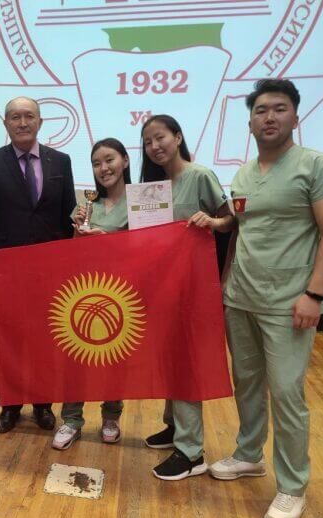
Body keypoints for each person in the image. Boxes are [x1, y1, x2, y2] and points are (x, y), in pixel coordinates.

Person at [210, 79, 323, 518]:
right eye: (261, 110)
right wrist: (222, 266)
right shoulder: (243, 174)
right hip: (241, 296)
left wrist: (314, 294)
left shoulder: (316, 165)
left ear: (295, 116)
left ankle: (292, 486)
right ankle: (249, 454)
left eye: (279, 109)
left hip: (290, 302)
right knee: (247, 383)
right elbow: (243, 226)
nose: (269, 117)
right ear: (249, 122)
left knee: (287, 393)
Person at [136, 115, 235, 480]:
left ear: (178, 137)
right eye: (148, 142)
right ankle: (175, 426)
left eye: (160, 137)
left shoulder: (200, 175)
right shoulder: (151, 188)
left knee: (186, 361)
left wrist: (212, 222)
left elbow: (230, 220)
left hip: (192, 287)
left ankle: (192, 452)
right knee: (168, 357)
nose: (154, 146)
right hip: (161, 287)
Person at [0, 96, 77, 434]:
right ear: (5, 123)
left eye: (29, 116)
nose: (22, 123)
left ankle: (43, 404)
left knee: (47, 339)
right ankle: (11, 405)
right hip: (7, 271)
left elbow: (68, 214)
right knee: (10, 340)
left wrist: (68, 263)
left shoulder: (60, 161)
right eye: (15, 117)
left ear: (40, 122)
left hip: (50, 270)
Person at [51, 138, 131, 450]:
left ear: (125, 161)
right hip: (84, 291)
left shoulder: (140, 201)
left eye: (109, 160)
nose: (103, 168)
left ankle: (111, 417)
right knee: (76, 356)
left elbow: (146, 243)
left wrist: (108, 237)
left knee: (115, 357)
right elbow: (74, 249)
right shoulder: (86, 206)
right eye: (96, 163)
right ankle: (71, 419)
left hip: (122, 292)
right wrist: (79, 232)